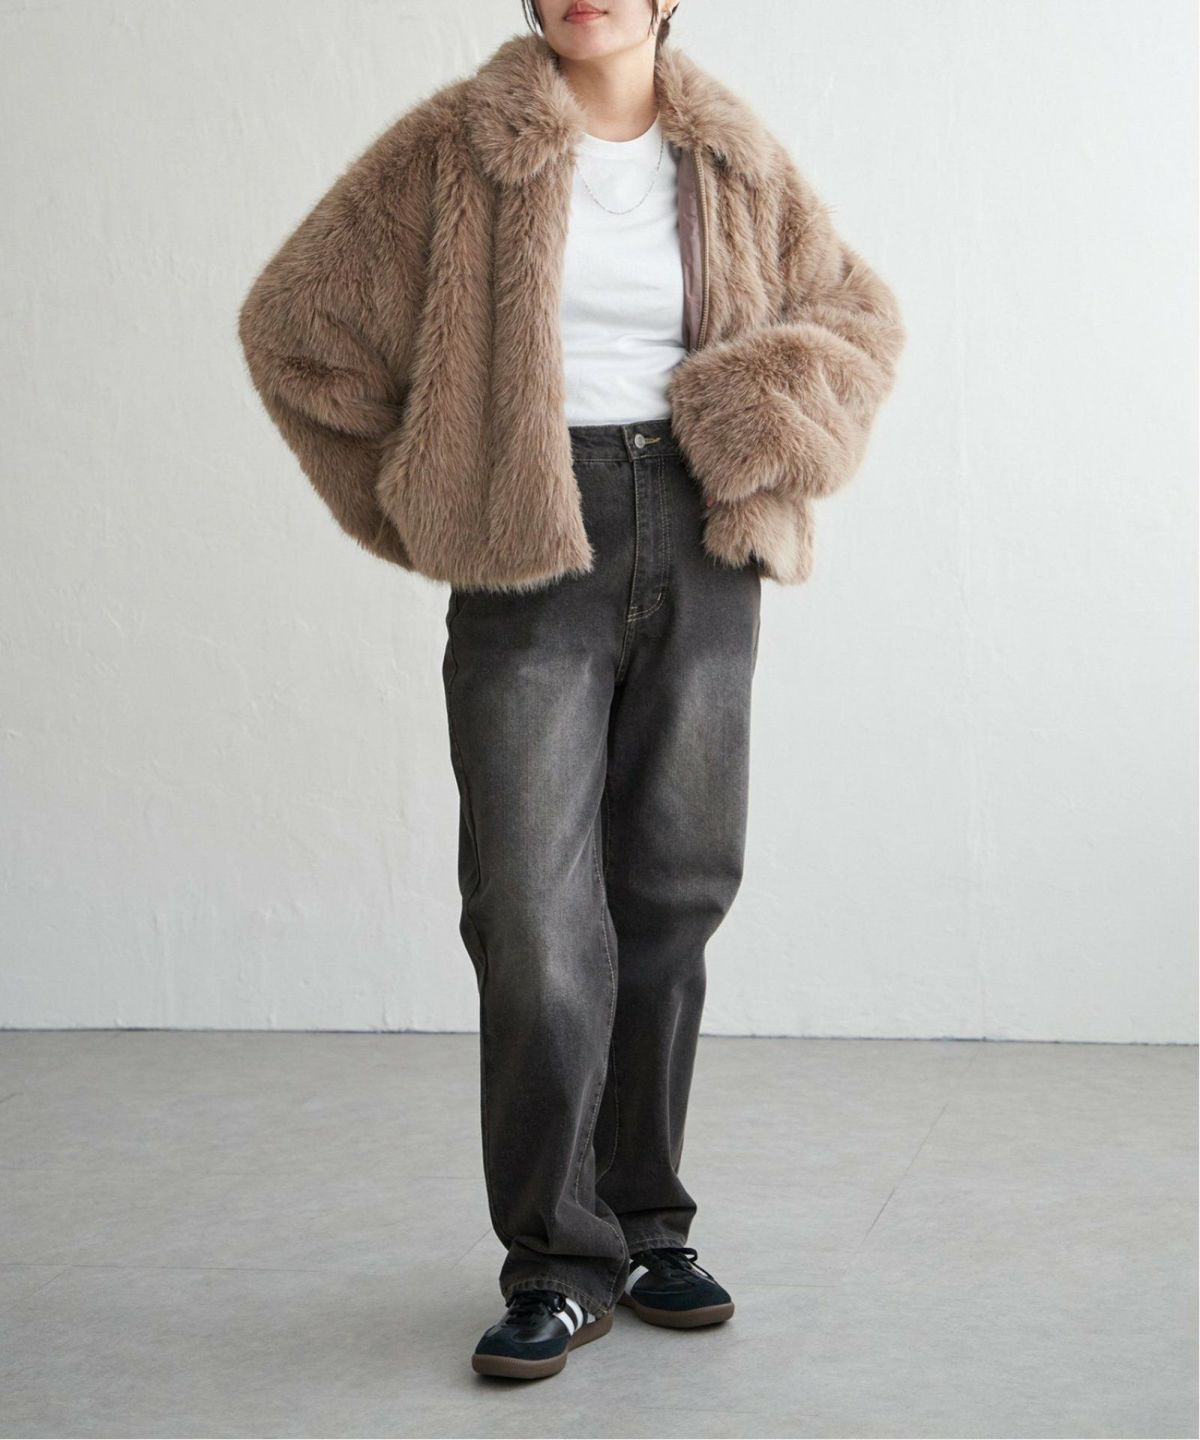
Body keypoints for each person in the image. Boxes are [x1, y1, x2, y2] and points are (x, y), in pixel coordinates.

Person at [238, 0, 905, 1382]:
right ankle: (553, 1255)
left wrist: (752, 410)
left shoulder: (732, 159)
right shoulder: (456, 149)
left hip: (703, 534)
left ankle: (649, 1223)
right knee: (537, 920)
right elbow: (295, 331)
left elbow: (860, 321)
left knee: (673, 890)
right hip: (536, 545)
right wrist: (435, 498)